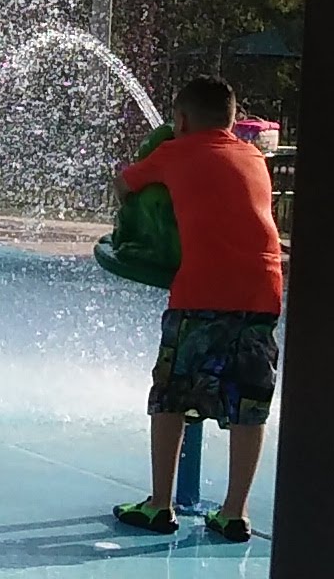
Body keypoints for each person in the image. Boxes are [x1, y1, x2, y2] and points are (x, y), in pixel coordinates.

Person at [110, 75, 286, 542]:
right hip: (262, 295)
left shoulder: (174, 151)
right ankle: (234, 512)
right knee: (248, 403)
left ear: (182, 120)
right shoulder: (254, 157)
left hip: (202, 292)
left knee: (170, 397)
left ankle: (159, 505)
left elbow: (125, 186)